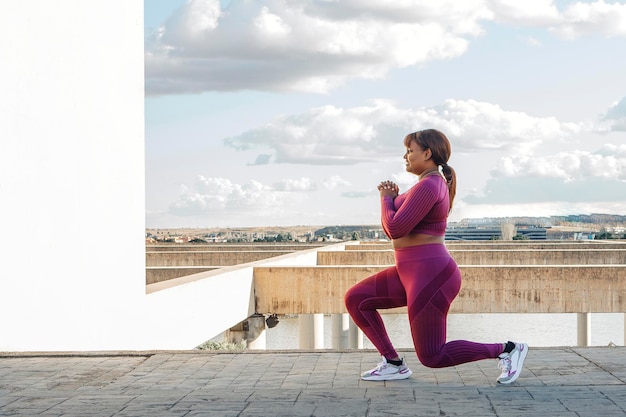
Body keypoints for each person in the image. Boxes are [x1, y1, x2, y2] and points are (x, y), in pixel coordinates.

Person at [344, 129, 528, 384]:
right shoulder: (423, 185)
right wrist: (390, 202)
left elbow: (396, 228)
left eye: (410, 150)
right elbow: (392, 229)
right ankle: (393, 363)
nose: (405, 156)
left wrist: (386, 200)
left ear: (427, 153)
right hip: (409, 273)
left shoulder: (430, 185)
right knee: (357, 299)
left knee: (433, 356)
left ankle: (508, 350)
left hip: (431, 276)